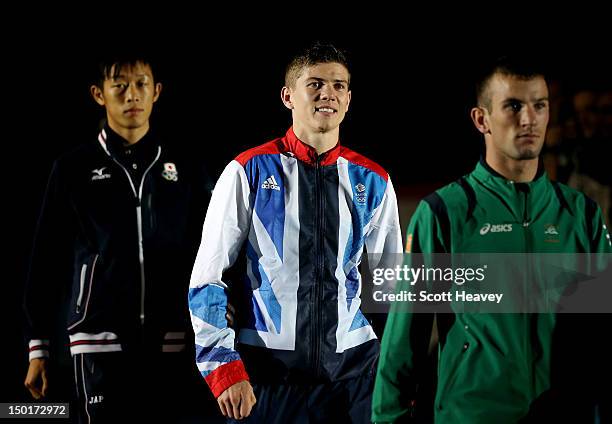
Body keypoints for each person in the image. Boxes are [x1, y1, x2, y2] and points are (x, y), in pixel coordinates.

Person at [372, 56, 612, 423]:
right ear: (481, 119)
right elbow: (406, 337)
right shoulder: (443, 214)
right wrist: (388, 417)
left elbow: (600, 338)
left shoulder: (581, 215)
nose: (529, 119)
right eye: (513, 106)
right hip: (473, 414)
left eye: (539, 105)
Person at [188, 42, 403, 423]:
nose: (328, 94)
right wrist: (223, 369)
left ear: (349, 99)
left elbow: (392, 288)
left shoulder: (374, 181)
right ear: (288, 96)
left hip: (354, 380)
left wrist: (397, 373)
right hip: (268, 379)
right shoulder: (247, 171)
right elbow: (207, 279)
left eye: (339, 86)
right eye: (315, 84)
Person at [23, 53, 215, 422]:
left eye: (141, 84)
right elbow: (45, 259)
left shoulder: (186, 168)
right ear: (99, 94)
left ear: (156, 91)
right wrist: (38, 349)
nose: (132, 96)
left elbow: (212, 254)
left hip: (172, 339)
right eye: (120, 86)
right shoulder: (72, 168)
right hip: (98, 340)